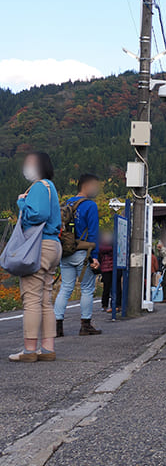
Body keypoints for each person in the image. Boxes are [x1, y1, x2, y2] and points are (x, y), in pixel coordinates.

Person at [9, 152, 62, 362]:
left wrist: (22, 203)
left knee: (31, 298)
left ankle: (29, 350)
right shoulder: (51, 187)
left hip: (38, 246)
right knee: (45, 300)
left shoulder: (39, 186)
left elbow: (38, 214)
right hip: (53, 246)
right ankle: (47, 348)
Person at [54, 173, 102, 337]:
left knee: (65, 288)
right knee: (87, 289)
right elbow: (94, 232)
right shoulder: (90, 205)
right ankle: (85, 325)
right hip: (83, 252)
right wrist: (95, 256)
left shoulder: (66, 203)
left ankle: (57, 327)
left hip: (65, 252)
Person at [97, 230, 121, 312]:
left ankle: (105, 305)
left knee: (108, 287)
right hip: (111, 267)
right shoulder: (113, 245)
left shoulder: (101, 246)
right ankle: (115, 305)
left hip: (106, 268)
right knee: (113, 287)